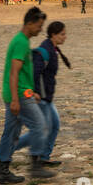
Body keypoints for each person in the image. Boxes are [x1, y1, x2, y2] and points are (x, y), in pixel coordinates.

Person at [0, 7, 54, 184]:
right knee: (40, 125)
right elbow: (14, 73)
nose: (40, 29)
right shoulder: (21, 42)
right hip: (18, 95)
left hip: (20, 92)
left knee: (11, 132)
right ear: (29, 23)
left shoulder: (22, 41)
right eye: (39, 25)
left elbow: (21, 75)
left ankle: (3, 171)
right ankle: (36, 165)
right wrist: (16, 98)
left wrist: (32, 92)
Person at [30, 21, 70, 168]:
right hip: (41, 97)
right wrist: (34, 92)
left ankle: (44, 156)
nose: (65, 37)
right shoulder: (45, 49)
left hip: (48, 97)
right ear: (53, 35)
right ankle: (35, 160)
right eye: (62, 34)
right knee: (43, 128)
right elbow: (35, 72)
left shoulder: (53, 49)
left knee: (53, 125)